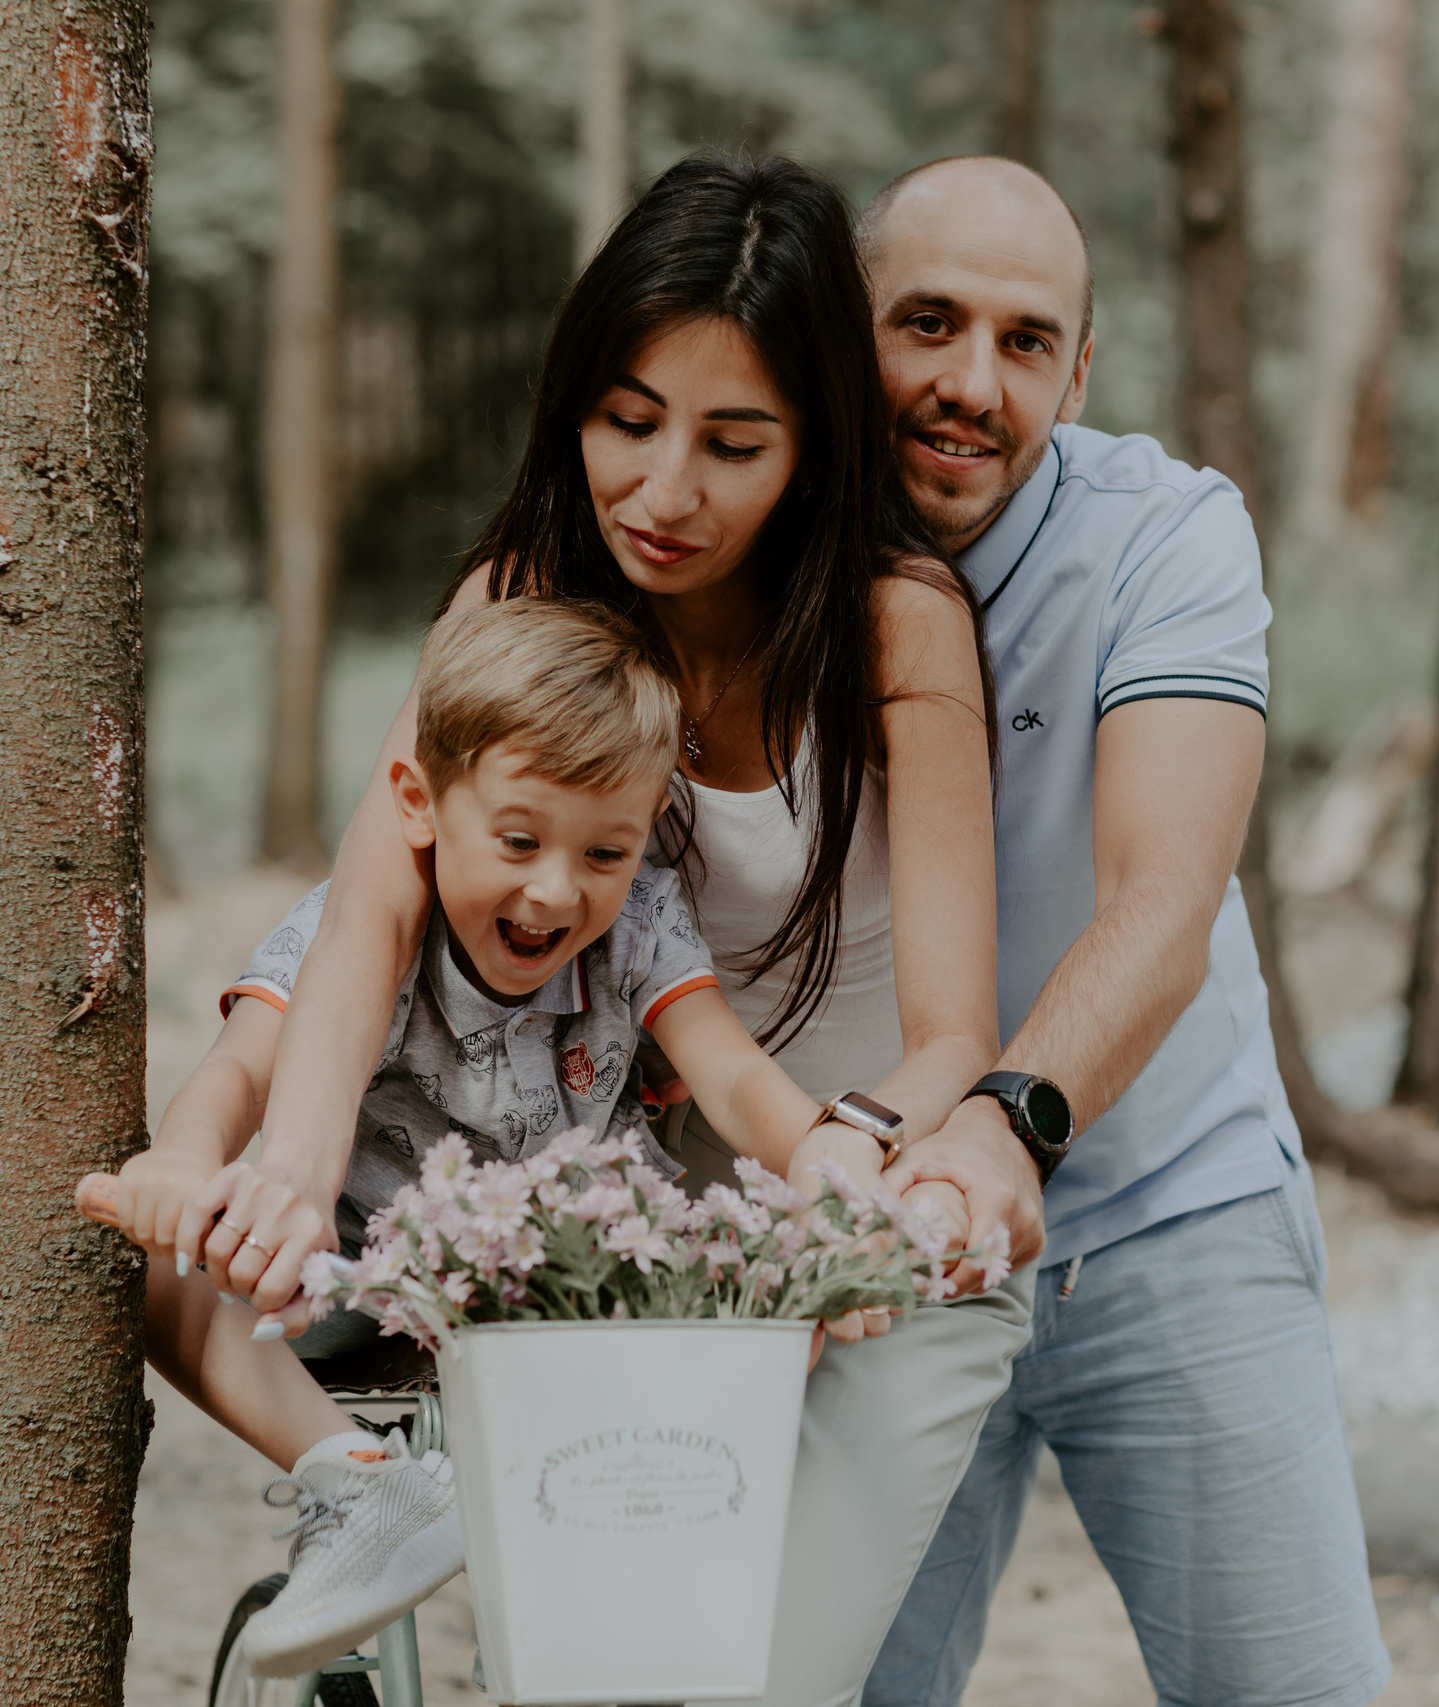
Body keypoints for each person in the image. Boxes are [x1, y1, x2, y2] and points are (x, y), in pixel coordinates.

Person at [166, 154, 1028, 1707]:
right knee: (586, 1657)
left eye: (733, 442)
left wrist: (840, 1160)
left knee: (754, 1673)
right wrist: (291, 1160)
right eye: (628, 421)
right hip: (622, 1216)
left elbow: (956, 1028)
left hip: (848, 1189)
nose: (664, 489)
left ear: (816, 442)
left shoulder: (897, 621)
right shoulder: (525, 593)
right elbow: (373, 897)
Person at [111, 596, 966, 1676]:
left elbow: (736, 1081)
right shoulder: (366, 929)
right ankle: (361, 1482)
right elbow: (239, 1069)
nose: (556, 889)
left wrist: (828, 1167)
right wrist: (184, 1165)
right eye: (518, 840)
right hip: (355, 1278)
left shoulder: (642, 927)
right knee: (149, 1264)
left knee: (609, 1588)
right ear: (419, 803)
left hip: (561, 1295)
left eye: (605, 852)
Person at [845, 156, 1392, 1707]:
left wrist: (1010, 1122)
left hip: (1170, 1212)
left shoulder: (1171, 536)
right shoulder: (751, 534)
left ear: (1079, 372)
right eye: (928, 322)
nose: (972, 382)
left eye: (1026, 342)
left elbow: (1166, 893)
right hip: (867, 1241)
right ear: (845, 325)